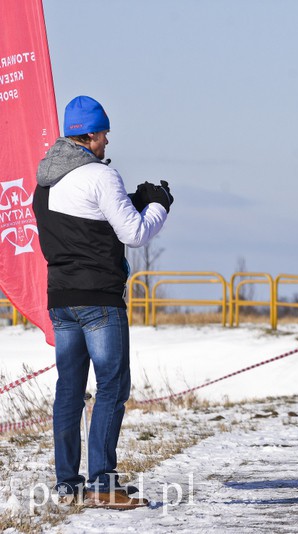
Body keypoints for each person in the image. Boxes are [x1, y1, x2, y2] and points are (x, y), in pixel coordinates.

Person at [33, 95, 174, 509]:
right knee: (112, 387)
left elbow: (84, 218)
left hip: (60, 298)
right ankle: (102, 483)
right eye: (105, 134)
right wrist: (157, 205)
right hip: (100, 299)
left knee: (69, 391)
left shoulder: (44, 179)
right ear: (90, 134)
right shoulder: (98, 175)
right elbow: (133, 233)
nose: (108, 142)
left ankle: (67, 483)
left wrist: (128, 197)